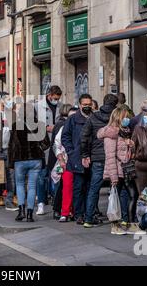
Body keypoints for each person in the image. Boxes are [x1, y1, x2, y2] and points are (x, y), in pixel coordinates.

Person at [97, 107, 143, 235]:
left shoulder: (125, 131)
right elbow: (110, 156)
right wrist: (113, 177)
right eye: (125, 117)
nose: (127, 119)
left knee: (133, 195)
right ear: (118, 118)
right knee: (115, 199)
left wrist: (131, 146)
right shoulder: (111, 133)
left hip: (127, 170)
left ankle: (131, 224)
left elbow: (125, 152)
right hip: (116, 171)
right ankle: (115, 225)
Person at [81, 94, 119, 228]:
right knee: (118, 186)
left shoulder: (93, 117)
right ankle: (120, 216)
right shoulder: (117, 117)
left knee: (94, 188)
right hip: (114, 157)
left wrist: (85, 154)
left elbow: (84, 138)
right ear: (116, 104)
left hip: (97, 158)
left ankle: (89, 218)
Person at [9, 103, 51, 222]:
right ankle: (29, 214)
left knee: (20, 185)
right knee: (32, 186)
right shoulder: (40, 125)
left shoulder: (16, 126)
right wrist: (38, 148)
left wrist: (11, 163)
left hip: (20, 159)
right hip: (35, 159)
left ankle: (21, 211)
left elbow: (11, 145)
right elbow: (46, 144)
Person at [62, 94, 93, 225]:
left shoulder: (94, 117)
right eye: (84, 104)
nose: (87, 106)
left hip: (93, 158)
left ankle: (89, 213)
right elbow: (65, 136)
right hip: (77, 158)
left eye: (89, 104)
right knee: (78, 188)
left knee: (91, 188)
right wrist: (71, 151)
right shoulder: (73, 119)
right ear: (80, 105)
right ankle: (79, 214)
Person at [34, 85, 63, 215]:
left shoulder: (61, 106)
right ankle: (41, 202)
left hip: (57, 145)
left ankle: (56, 202)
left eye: (58, 98)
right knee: (42, 175)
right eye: (54, 98)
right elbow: (31, 125)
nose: (56, 100)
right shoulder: (37, 106)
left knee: (57, 174)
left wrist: (56, 127)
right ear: (49, 95)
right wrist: (45, 127)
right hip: (43, 145)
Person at [53, 105, 77, 222]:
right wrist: (61, 159)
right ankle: (65, 212)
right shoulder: (63, 129)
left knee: (79, 188)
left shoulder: (82, 127)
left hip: (79, 161)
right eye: (70, 117)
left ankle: (76, 211)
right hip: (67, 162)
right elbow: (56, 145)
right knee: (67, 187)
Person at [49, 103, 73, 219]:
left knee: (71, 187)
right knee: (64, 186)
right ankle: (61, 210)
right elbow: (56, 144)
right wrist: (61, 158)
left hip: (73, 161)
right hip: (64, 161)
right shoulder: (62, 126)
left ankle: (71, 210)